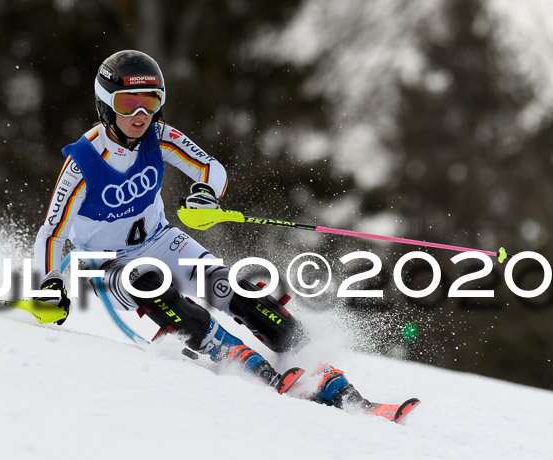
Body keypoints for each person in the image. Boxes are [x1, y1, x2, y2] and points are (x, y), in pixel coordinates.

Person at [33, 50, 367, 408]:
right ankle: (227, 352)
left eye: (150, 102)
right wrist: (50, 282)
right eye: (128, 104)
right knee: (149, 283)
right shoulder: (82, 163)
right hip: (107, 264)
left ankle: (315, 363)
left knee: (231, 287)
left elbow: (211, 168)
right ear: (105, 105)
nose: (140, 115)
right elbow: (52, 232)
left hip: (160, 241)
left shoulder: (158, 136)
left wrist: (206, 194)